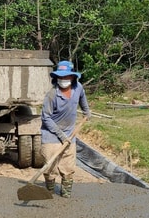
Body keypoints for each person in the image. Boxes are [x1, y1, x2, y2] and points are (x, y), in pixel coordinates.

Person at [40, 60, 91, 198]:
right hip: (51, 135)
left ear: (73, 77)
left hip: (70, 134)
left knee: (68, 167)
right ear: (56, 78)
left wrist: (87, 111)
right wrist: (61, 136)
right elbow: (46, 118)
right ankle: (49, 194)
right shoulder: (51, 95)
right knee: (50, 168)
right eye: (60, 77)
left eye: (66, 76)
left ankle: (66, 195)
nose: (63, 80)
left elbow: (82, 98)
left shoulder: (78, 87)